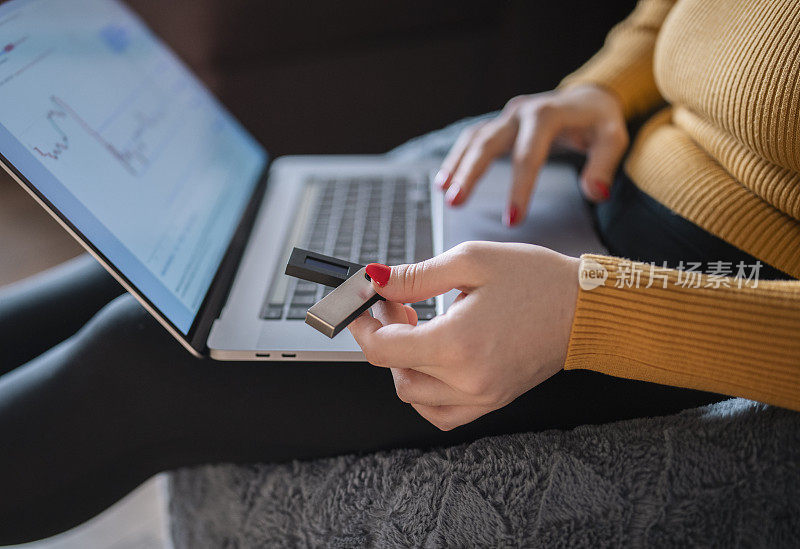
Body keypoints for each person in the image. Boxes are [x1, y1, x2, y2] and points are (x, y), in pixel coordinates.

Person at [1, 0, 798, 543]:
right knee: (163, 266)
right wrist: (598, 89)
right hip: (587, 176)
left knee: (144, 359)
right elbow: (672, 14)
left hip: (687, 292)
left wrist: (586, 313)